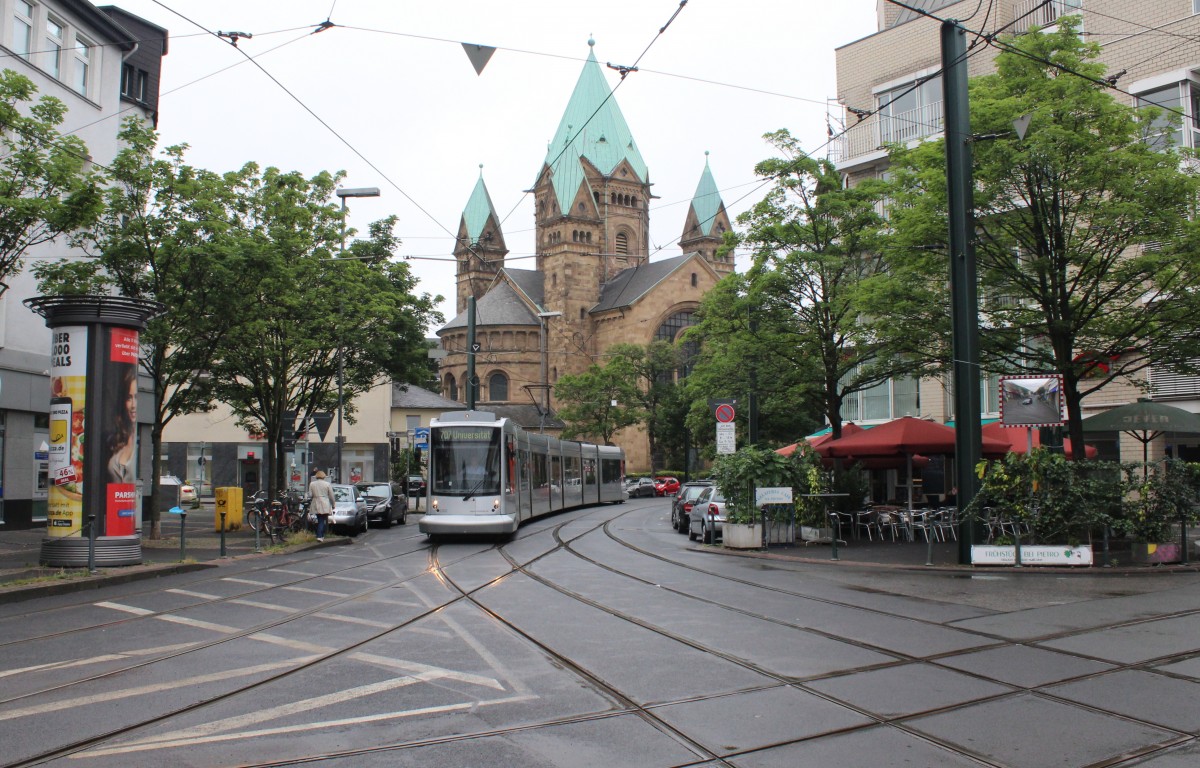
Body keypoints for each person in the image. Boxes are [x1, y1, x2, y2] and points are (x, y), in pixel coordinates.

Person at [105, 366, 138, 483]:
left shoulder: (137, 443)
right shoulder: (117, 441)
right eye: (129, 398)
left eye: (136, 397)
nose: (133, 405)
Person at [308, 470, 336, 541]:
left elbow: (310, 495)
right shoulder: (327, 484)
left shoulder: (312, 484)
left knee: (319, 519)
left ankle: (320, 535)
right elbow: (331, 496)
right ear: (324, 476)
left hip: (316, 502)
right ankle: (320, 536)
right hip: (325, 503)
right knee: (322, 520)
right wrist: (333, 504)